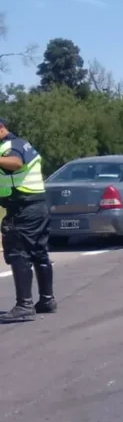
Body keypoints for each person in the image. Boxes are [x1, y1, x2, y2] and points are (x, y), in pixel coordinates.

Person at [0, 118, 54, 323]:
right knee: (39, 252)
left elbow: (16, 163)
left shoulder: (11, 147)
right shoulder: (20, 144)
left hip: (25, 209)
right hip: (37, 207)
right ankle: (47, 300)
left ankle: (24, 305)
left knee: (17, 252)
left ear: (1, 128)